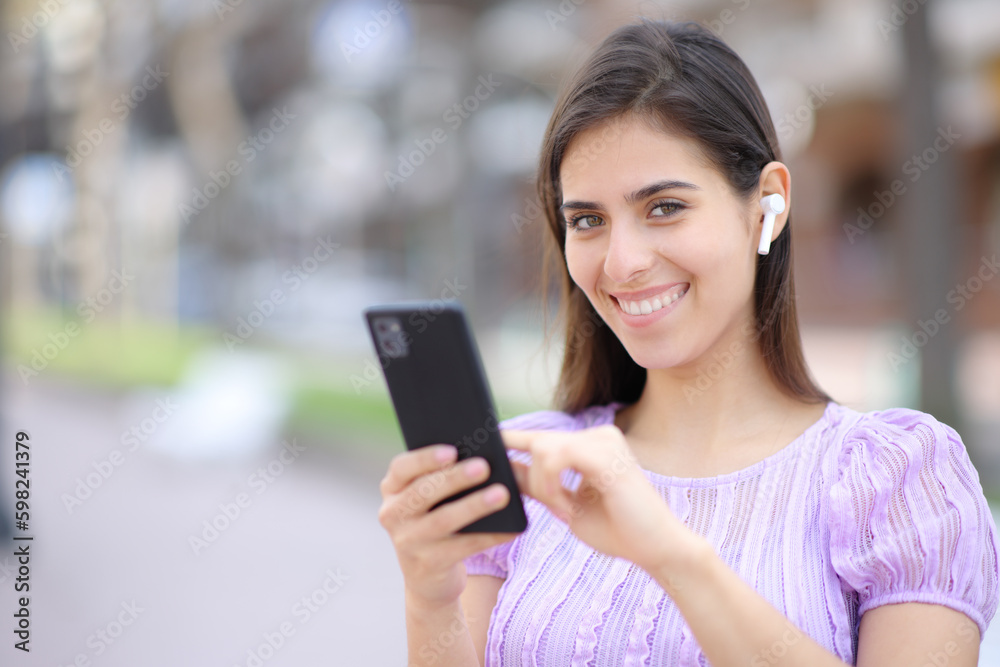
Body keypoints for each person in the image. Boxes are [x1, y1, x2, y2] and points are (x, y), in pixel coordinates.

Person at [377, 19, 1000, 666]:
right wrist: (428, 598)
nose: (621, 262)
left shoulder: (897, 481)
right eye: (587, 220)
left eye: (664, 207)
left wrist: (671, 552)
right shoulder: (534, 475)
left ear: (769, 203)